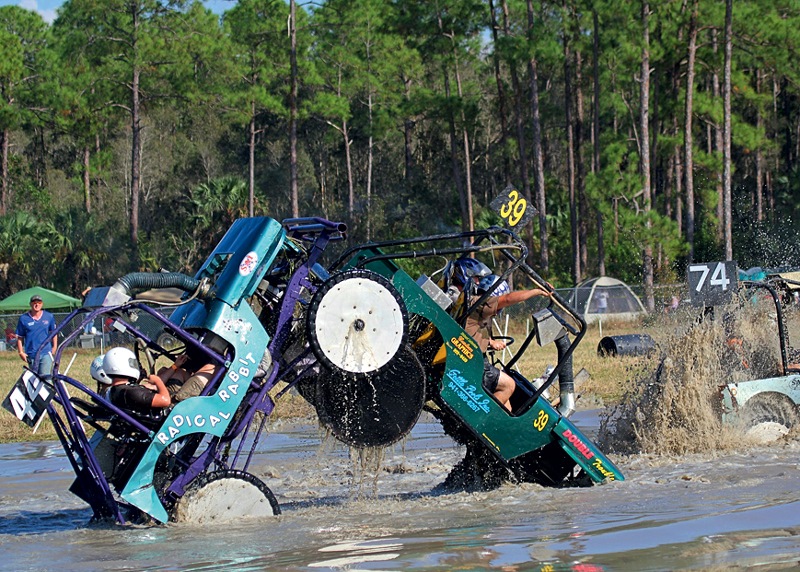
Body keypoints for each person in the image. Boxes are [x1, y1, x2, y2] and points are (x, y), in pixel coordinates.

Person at [448, 259, 551, 411]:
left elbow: (469, 331)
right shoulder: (480, 303)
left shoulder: (472, 305)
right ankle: (485, 418)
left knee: (507, 403)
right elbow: (508, 299)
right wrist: (536, 291)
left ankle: (507, 430)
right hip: (470, 361)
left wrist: (489, 341)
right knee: (509, 385)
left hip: (469, 358)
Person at [103, 347, 171, 416]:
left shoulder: (113, 391)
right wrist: (157, 380)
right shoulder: (131, 393)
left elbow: (142, 391)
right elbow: (165, 401)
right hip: (168, 415)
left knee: (163, 372)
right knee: (179, 374)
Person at [16, 294, 58, 376]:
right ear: (30, 304)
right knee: (34, 378)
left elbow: (54, 333)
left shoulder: (49, 316)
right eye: (34, 302)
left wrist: (54, 347)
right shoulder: (23, 318)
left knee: (45, 378)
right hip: (31, 353)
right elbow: (20, 337)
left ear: (42, 304)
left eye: (39, 302)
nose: (36, 304)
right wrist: (21, 352)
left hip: (46, 352)